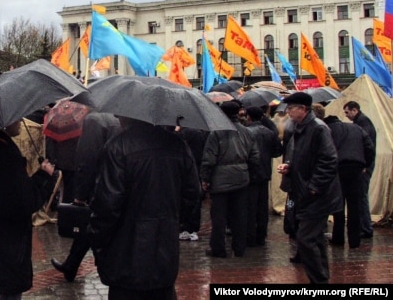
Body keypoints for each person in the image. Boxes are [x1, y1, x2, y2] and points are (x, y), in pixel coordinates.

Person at [87, 117, 200, 299]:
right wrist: (172, 221)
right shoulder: (178, 146)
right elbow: (192, 194)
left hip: (124, 252)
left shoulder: (118, 147)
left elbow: (106, 206)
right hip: (164, 251)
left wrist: (98, 241)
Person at [0, 120, 57, 299]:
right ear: (3, 122)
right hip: (4, 251)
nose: (21, 122)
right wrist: (44, 177)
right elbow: (21, 202)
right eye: (17, 119)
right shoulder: (1, 153)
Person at [277, 92, 340, 284]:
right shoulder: (300, 128)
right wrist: (290, 167)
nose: (288, 112)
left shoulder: (318, 128)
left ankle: (318, 281)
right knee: (316, 239)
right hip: (304, 191)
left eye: (291, 108)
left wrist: (314, 187)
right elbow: (305, 158)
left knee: (305, 239)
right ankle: (321, 279)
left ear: (303, 109)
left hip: (317, 194)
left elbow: (329, 160)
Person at [51, 112, 120, 282]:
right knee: (90, 225)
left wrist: (80, 194)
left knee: (93, 225)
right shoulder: (123, 120)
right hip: (121, 185)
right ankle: (71, 264)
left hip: (101, 186)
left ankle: (80, 265)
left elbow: (87, 159)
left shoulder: (95, 120)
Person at [200, 100, 260, 258]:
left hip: (220, 181)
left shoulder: (216, 133)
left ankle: (218, 248)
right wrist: (249, 174)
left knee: (219, 217)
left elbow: (209, 159)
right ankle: (239, 248)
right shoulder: (248, 132)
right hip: (242, 178)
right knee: (240, 215)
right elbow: (255, 158)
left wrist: (205, 179)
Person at [322, 107, 375, 248]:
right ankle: (354, 240)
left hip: (337, 169)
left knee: (338, 204)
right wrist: (366, 164)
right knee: (354, 205)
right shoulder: (356, 128)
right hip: (356, 169)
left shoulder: (327, 130)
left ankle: (338, 237)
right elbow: (370, 147)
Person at [244, 106, 283, 247]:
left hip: (250, 173)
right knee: (262, 207)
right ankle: (261, 235)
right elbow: (278, 151)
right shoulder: (269, 133)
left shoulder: (246, 132)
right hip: (265, 172)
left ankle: (250, 236)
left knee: (250, 206)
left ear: (248, 117)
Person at [343, 101, 377, 239]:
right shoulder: (362, 122)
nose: (346, 116)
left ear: (354, 110)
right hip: (365, 164)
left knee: (361, 196)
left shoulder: (362, 123)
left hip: (364, 165)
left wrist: (364, 164)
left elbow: (366, 145)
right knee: (360, 197)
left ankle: (366, 228)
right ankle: (364, 227)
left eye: (347, 112)